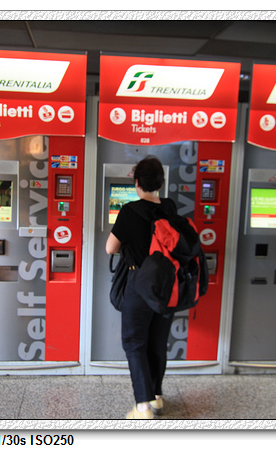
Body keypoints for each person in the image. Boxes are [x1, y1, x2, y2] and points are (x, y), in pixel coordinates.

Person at [106, 156, 176, 420]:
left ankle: (142, 406)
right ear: (161, 183)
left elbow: (110, 248)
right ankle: (156, 397)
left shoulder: (129, 211)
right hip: (166, 286)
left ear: (136, 182)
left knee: (135, 343)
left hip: (139, 285)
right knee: (158, 342)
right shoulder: (170, 207)